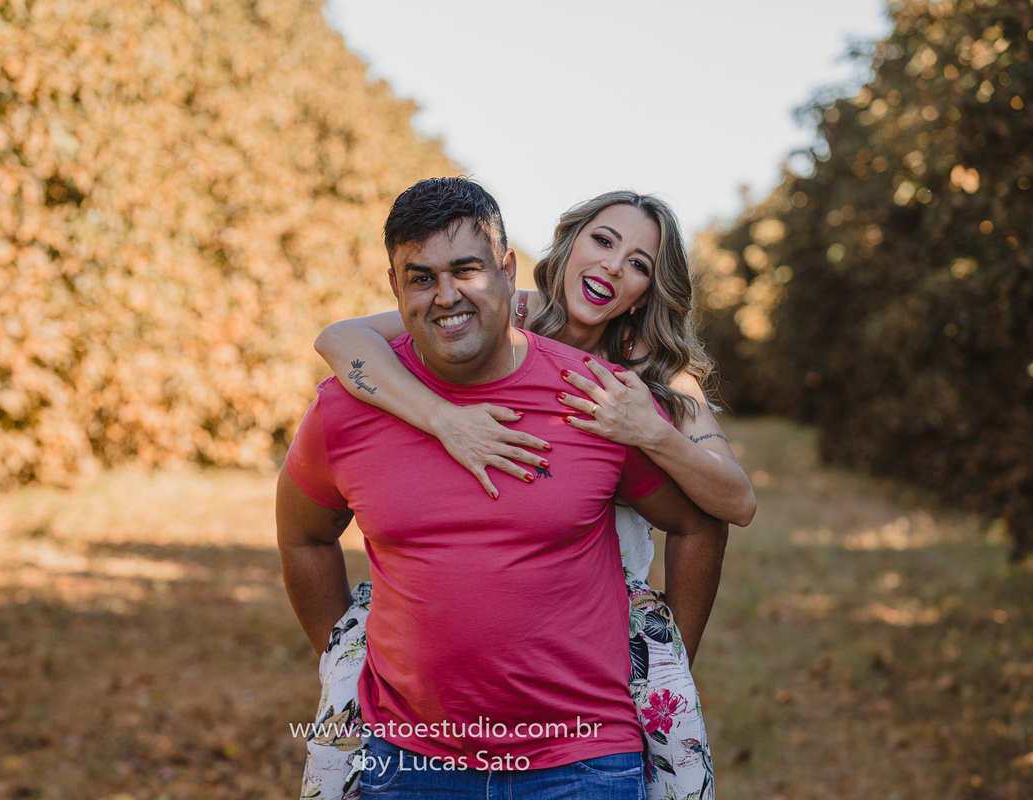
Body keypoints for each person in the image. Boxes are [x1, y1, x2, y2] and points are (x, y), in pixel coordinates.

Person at [278, 177, 730, 800]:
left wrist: (667, 666)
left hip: (582, 749)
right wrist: (442, 417)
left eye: (637, 263)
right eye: (602, 241)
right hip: (409, 759)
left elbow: (725, 509)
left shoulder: (625, 390)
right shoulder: (384, 385)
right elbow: (339, 338)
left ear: (503, 266)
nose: (447, 295)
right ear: (566, 249)